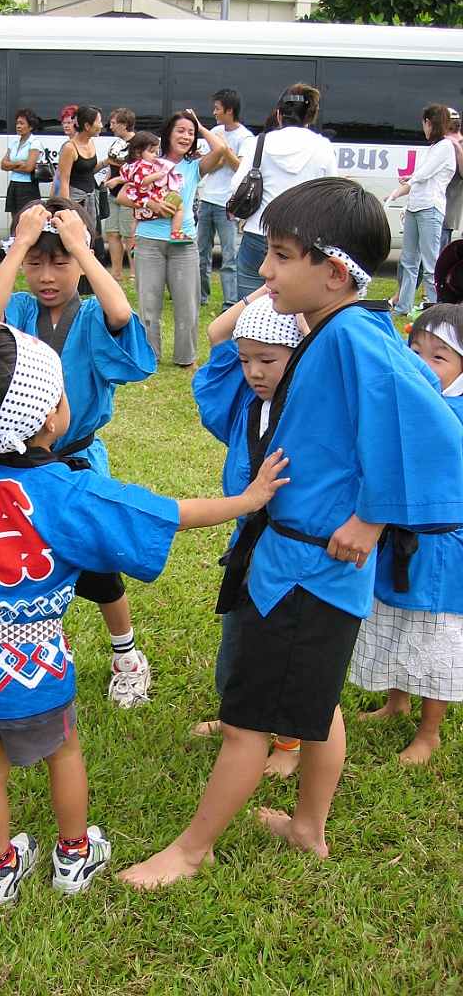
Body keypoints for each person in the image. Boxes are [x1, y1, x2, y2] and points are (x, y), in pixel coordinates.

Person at [0, 321, 290, 908]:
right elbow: (163, 513)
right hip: (34, 669)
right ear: (50, 419)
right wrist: (247, 500)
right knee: (64, 753)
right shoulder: (69, 493)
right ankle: (74, 855)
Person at [120, 177, 463, 889]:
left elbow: (434, 429)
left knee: (249, 723)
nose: (265, 271)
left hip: (309, 572)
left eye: (278, 256)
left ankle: (191, 850)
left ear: (333, 271)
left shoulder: (353, 338)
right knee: (316, 705)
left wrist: (373, 516)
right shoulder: (334, 330)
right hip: (297, 563)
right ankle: (308, 829)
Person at [0, 197, 159, 708]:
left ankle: (127, 655)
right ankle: (24, 647)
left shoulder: (93, 314)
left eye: (61, 261)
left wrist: (82, 245)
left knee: (100, 565)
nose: (46, 275)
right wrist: (20, 242)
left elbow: (121, 313)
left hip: (74, 461)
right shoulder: (21, 310)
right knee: (22, 556)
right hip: (16, 462)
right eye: (35, 262)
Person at [191, 289, 305, 778]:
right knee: (236, 636)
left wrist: (304, 319)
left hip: (293, 553)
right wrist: (271, 292)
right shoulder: (246, 403)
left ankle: (288, 741)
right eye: (245, 361)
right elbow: (218, 337)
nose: (254, 372)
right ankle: (237, 718)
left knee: (284, 646)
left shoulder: (311, 403)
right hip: (247, 545)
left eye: (268, 360)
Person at [351, 303, 463, 765]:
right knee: (396, 622)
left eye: (440, 357)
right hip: (397, 535)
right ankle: (396, 702)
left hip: (441, 545)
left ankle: (429, 731)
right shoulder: (407, 398)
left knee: (434, 634)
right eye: (414, 351)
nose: (423, 363)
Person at [117, 110, 225, 369]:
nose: (186, 136)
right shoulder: (148, 163)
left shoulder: (193, 167)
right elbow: (122, 195)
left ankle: (186, 358)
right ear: (168, 134)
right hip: (148, 241)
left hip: (184, 243)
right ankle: (149, 355)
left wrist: (199, 126)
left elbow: (220, 149)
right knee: (149, 305)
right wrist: (150, 203)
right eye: (180, 130)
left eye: (190, 133)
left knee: (187, 304)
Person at [231, 84, 337, 300]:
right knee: (293, 311)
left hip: (258, 234)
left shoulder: (258, 143)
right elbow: (331, 196)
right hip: (301, 239)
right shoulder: (323, 146)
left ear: (279, 114)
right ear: (311, 117)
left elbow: (235, 187)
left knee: (248, 310)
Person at [388, 104, 457, 316]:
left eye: (425, 123)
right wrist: (397, 196)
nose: (424, 127)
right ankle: (403, 307)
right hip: (415, 208)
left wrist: (411, 177)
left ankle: (435, 309)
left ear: (429, 122)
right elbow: (418, 180)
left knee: (430, 262)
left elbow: (424, 174)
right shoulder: (432, 149)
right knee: (408, 260)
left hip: (430, 209)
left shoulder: (446, 147)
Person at [197, 88, 255, 309]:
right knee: (201, 252)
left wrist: (222, 149)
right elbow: (209, 161)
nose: (214, 113)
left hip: (228, 204)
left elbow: (240, 167)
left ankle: (230, 302)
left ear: (230, 110)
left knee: (229, 257)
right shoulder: (216, 130)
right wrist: (221, 153)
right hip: (207, 199)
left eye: (217, 108)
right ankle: (201, 297)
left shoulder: (245, 137)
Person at [119, 131, 191, 243]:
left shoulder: (127, 166)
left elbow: (126, 179)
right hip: (151, 198)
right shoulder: (142, 166)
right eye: (152, 152)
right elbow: (142, 181)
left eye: (156, 152)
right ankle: (176, 232)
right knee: (180, 207)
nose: (154, 155)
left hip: (138, 203)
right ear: (138, 152)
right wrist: (157, 175)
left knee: (136, 221)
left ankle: (134, 243)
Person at [97, 108, 137, 281]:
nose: (111, 127)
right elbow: (114, 165)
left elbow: (138, 172)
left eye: (113, 123)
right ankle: (116, 272)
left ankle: (134, 273)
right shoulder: (116, 143)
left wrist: (119, 181)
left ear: (124, 124)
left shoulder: (138, 144)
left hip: (128, 195)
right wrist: (107, 178)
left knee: (129, 235)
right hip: (112, 194)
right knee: (112, 233)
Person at [58, 105, 102, 226]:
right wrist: (67, 209)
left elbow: (88, 171)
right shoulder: (70, 148)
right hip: (76, 201)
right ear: (87, 126)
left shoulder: (91, 142)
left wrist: (105, 163)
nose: (102, 126)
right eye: (98, 122)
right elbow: (64, 181)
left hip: (91, 200)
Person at [2, 108, 43, 232]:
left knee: (26, 218)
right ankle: (14, 243)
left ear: (30, 126)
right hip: (14, 184)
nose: (18, 126)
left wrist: (12, 165)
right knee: (15, 218)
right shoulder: (14, 143)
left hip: (28, 186)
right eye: (17, 123)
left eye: (22, 123)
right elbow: (3, 165)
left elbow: (29, 167)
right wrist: (19, 163)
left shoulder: (34, 143)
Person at [440, 108, 463, 251]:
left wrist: (458, 149)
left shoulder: (457, 146)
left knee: (438, 254)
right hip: (437, 209)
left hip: (446, 211)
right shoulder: (444, 144)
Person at [50, 104, 78, 199]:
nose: (66, 126)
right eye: (64, 123)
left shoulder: (79, 145)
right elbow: (58, 172)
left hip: (71, 193)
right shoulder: (64, 145)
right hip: (59, 191)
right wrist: (52, 194)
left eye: (69, 123)